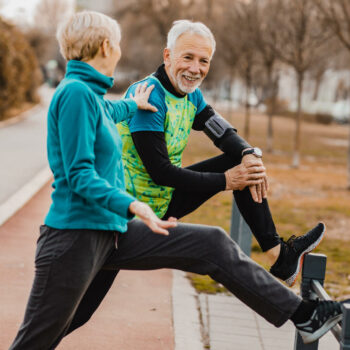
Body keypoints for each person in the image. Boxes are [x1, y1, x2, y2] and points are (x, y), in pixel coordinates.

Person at [9, 11, 342, 349]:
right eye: (119, 44)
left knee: (212, 243)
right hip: (76, 238)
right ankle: (297, 297)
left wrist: (131, 107)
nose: (121, 51)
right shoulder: (77, 93)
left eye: (204, 60)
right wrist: (132, 203)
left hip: (114, 230)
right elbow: (79, 174)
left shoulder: (92, 95)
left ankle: (304, 314)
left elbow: (108, 113)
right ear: (107, 46)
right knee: (45, 335)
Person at [117, 19, 325, 287]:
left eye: (203, 61)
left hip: (164, 202)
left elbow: (222, 132)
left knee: (242, 160)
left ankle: (280, 255)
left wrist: (250, 154)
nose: (195, 69)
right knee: (81, 306)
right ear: (168, 56)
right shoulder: (149, 94)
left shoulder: (191, 95)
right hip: (130, 211)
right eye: (188, 58)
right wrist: (227, 180)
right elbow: (160, 172)